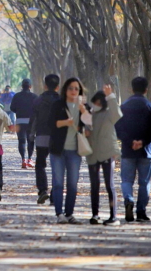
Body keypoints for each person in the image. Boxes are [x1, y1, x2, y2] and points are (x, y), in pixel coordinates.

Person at [115, 76, 151, 222]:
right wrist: (143, 142)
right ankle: (141, 211)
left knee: (127, 180)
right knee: (144, 182)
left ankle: (128, 199)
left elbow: (117, 127)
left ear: (131, 89)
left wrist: (130, 142)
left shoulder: (123, 107)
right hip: (146, 151)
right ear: (146, 90)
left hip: (128, 151)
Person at [48, 77, 92, 223]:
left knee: (73, 183)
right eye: (71, 88)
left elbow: (90, 124)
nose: (73, 91)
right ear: (65, 90)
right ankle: (59, 213)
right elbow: (51, 124)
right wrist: (65, 123)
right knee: (58, 182)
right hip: (58, 150)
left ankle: (69, 213)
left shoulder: (84, 106)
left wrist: (83, 109)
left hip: (75, 150)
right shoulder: (58, 104)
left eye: (76, 89)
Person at [86, 85, 123, 226]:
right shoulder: (89, 114)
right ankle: (95, 214)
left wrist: (111, 96)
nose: (95, 105)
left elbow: (117, 114)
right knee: (94, 185)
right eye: (94, 102)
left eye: (97, 102)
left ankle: (113, 216)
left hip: (107, 153)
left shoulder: (109, 114)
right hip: (93, 154)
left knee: (110, 185)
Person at [30, 74, 61, 205]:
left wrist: (31, 136)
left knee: (40, 164)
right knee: (57, 166)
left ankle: (42, 191)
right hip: (58, 137)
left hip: (42, 135)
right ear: (58, 87)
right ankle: (55, 195)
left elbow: (34, 120)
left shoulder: (38, 100)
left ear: (45, 85)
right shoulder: (62, 101)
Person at [10, 78, 37, 169]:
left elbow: (12, 108)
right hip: (31, 121)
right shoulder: (34, 97)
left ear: (22, 86)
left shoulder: (16, 96)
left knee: (21, 141)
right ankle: (29, 159)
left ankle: (23, 160)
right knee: (31, 140)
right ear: (30, 86)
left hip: (20, 121)